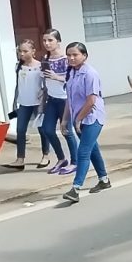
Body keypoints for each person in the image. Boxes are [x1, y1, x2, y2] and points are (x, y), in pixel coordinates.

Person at [61, 42, 110, 202]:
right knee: (92, 149)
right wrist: (65, 120)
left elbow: (91, 101)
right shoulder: (71, 73)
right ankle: (104, 180)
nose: (71, 58)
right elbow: (69, 99)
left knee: (83, 152)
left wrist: (78, 120)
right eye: (69, 55)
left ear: (84, 56)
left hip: (92, 117)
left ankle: (76, 188)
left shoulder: (90, 74)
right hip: (78, 118)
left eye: (75, 54)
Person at [5, 39, 50, 170]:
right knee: (20, 130)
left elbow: (45, 85)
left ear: (33, 51)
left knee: (42, 130)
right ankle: (20, 159)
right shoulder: (18, 66)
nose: (22, 54)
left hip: (37, 103)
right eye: (20, 51)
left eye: (25, 51)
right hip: (24, 103)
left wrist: (44, 100)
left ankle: (45, 156)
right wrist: (14, 102)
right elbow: (17, 85)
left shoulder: (41, 66)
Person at [39, 29, 78, 175]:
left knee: (66, 131)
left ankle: (75, 162)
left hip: (65, 99)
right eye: (44, 41)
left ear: (58, 41)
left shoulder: (66, 59)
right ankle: (61, 159)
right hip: (51, 98)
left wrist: (57, 77)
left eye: (50, 40)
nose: (47, 43)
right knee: (47, 129)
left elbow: (72, 79)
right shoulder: (45, 58)